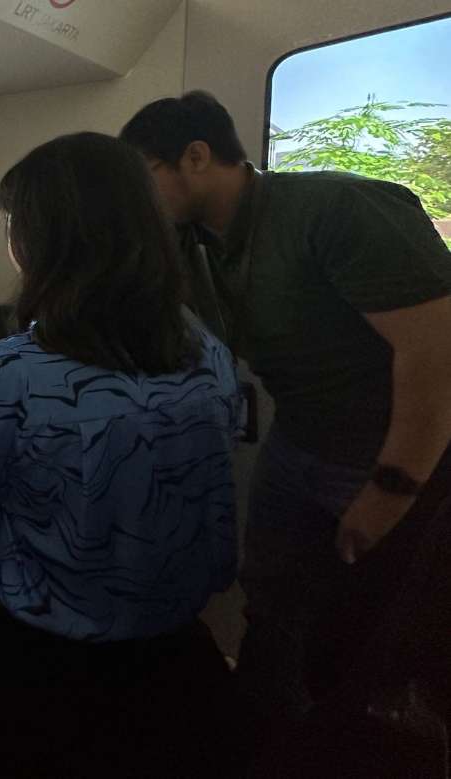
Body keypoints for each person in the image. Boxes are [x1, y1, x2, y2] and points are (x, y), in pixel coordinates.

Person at [120, 91, 451, 754]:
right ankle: (264, 734)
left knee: (376, 628)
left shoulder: (336, 210)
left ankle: (364, 743)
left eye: (141, 177)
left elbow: (437, 353)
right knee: (270, 595)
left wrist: (391, 487)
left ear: (196, 156)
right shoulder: (195, 244)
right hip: (300, 439)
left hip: (390, 450)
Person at [0, 132, 242, 776]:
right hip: (178, 653)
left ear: (40, 242)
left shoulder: (7, 371)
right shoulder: (205, 347)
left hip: (49, 665)